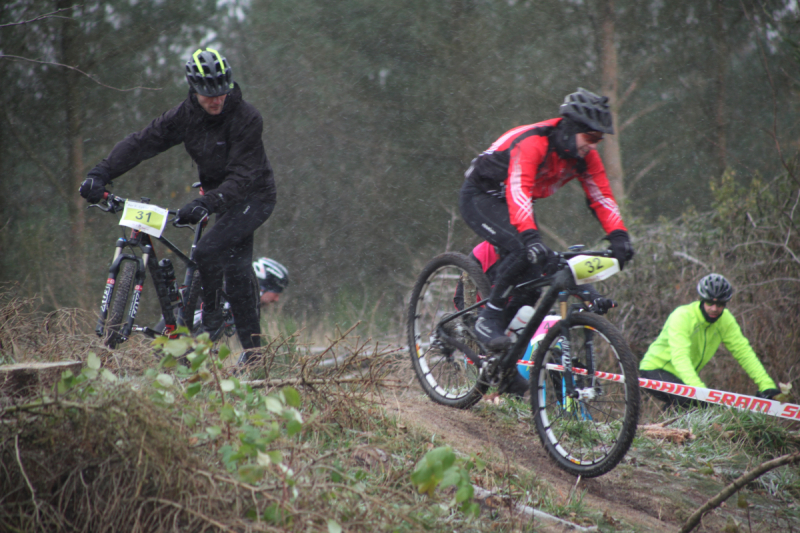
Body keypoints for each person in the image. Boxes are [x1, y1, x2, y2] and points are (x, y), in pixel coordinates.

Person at [79, 48, 275, 359]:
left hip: (253, 196)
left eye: (221, 92)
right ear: (194, 89)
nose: (217, 100)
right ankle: (184, 330)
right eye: (208, 93)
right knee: (205, 257)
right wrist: (100, 173)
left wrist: (207, 203)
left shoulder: (247, 118)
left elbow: (241, 177)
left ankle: (245, 348)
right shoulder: (185, 116)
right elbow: (142, 142)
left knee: (222, 258)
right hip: (217, 196)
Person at [459, 87, 634, 363]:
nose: (594, 144)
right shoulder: (534, 142)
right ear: (570, 128)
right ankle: (488, 318)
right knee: (522, 247)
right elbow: (519, 189)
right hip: (483, 194)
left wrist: (619, 236)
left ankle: (501, 359)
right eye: (590, 136)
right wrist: (529, 237)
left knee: (534, 276)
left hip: (515, 200)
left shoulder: (586, 158)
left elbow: (602, 197)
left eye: (599, 138)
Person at [456, 241, 618, 397]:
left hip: (515, 320)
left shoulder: (529, 251)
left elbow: (564, 275)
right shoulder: (481, 254)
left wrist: (595, 297)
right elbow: (459, 298)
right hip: (485, 324)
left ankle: (516, 400)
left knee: (528, 325)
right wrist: (477, 320)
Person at [639, 273, 779, 409]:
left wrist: (766, 384)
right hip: (655, 369)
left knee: (693, 405)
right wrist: (700, 391)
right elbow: (680, 357)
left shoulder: (725, 320)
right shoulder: (683, 316)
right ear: (702, 299)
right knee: (689, 400)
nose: (714, 309)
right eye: (710, 303)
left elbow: (744, 352)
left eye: (720, 305)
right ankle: (666, 428)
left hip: (682, 375)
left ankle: (666, 426)